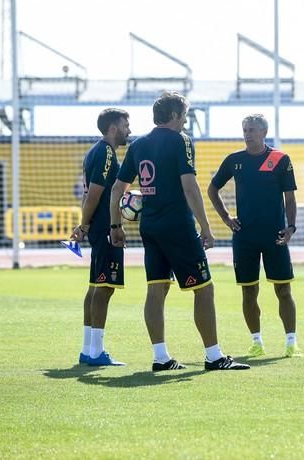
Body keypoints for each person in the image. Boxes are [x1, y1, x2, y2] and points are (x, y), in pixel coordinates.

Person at [109, 91, 249, 372]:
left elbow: (117, 189)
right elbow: (190, 186)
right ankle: (214, 356)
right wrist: (206, 227)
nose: (186, 121)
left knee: (156, 289)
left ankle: (161, 358)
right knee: (204, 289)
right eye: (184, 115)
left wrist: (116, 226)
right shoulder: (181, 141)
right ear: (174, 116)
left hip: (150, 227)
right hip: (178, 226)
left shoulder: (138, 145)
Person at [208, 114, 302, 358]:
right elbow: (212, 189)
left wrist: (290, 227)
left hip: (275, 236)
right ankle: (256, 341)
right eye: (244, 130)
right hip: (245, 237)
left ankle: (291, 342)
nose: (247, 134)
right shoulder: (234, 160)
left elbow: (290, 198)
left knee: (283, 290)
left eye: (251, 130)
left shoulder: (280, 159)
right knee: (249, 292)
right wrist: (227, 218)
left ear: (263, 132)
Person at [70, 108, 131, 366]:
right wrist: (84, 225)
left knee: (96, 285)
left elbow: (89, 194)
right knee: (105, 287)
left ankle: (88, 349)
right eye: (126, 125)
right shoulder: (106, 152)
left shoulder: (95, 151)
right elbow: (94, 194)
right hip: (105, 228)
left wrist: (84, 224)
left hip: (97, 227)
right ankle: (96, 352)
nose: (129, 129)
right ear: (113, 128)